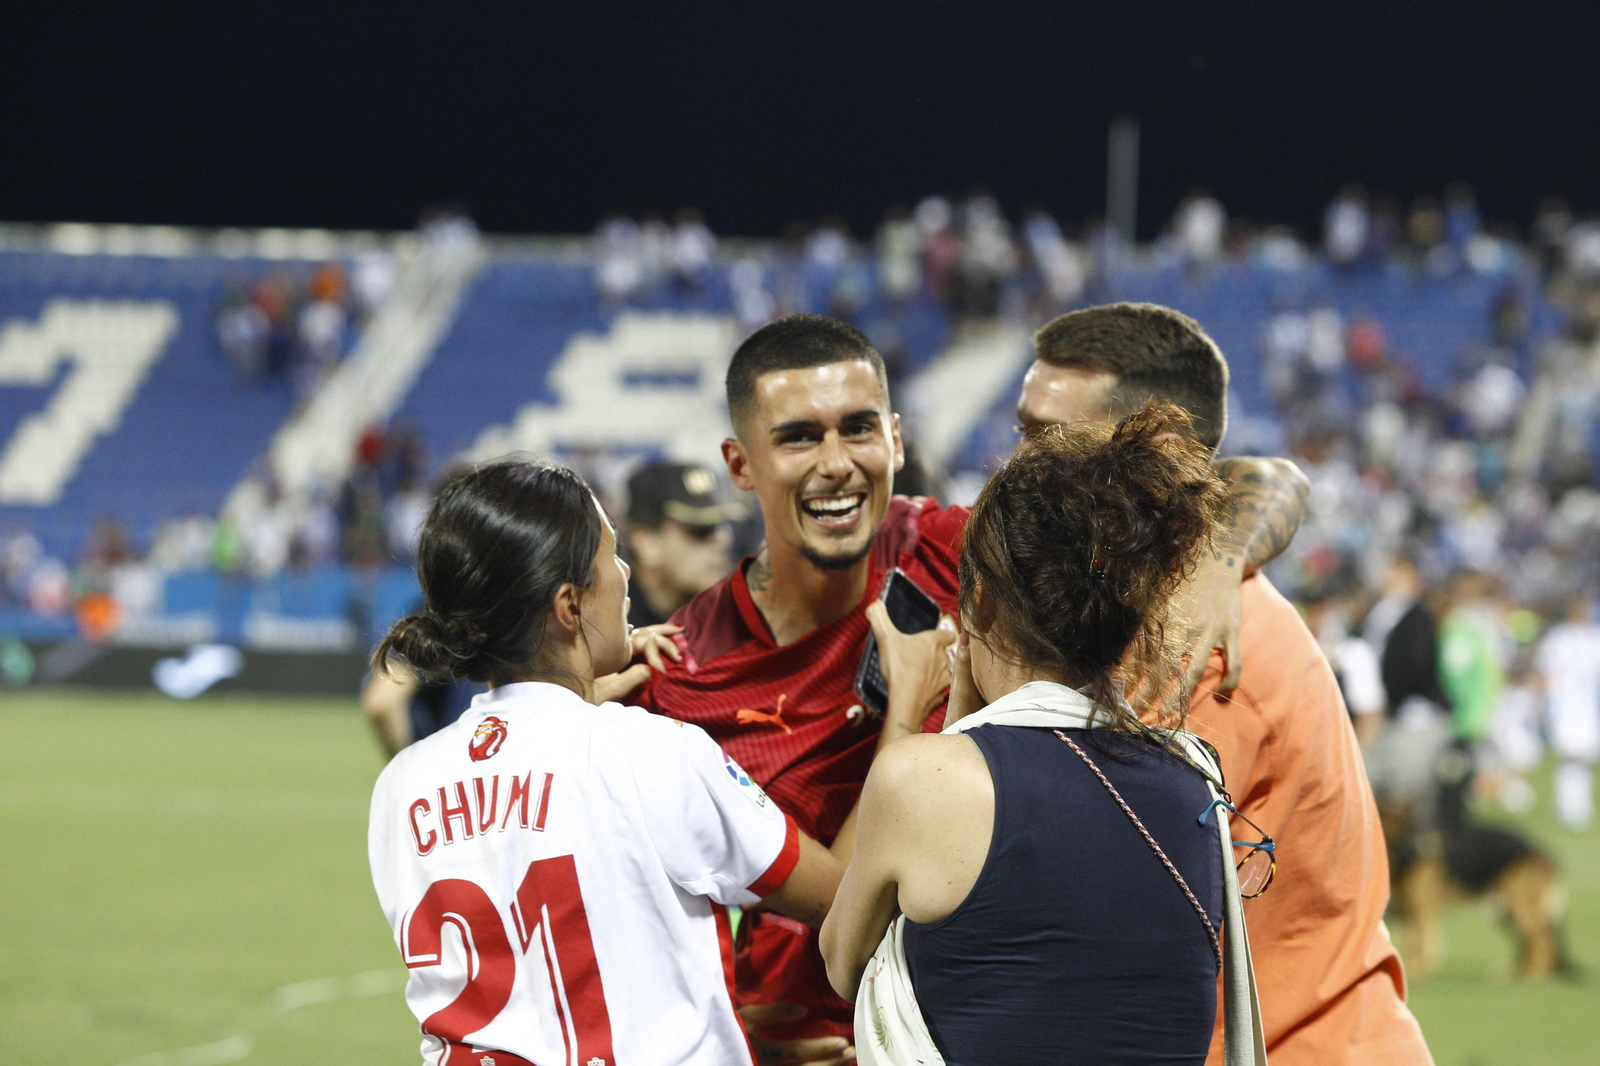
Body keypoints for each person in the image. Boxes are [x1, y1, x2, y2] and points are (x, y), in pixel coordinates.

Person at [628, 312, 1309, 1052]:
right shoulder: (680, 672)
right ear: (740, 463)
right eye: (799, 436)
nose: (835, 462)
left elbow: (1258, 474)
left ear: (893, 437)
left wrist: (1216, 560)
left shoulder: (959, 551)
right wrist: (727, 1025)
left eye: (857, 429)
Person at [365, 460, 946, 1065]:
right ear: (570, 604)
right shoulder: (649, 752)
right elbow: (843, 901)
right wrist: (906, 709)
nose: (623, 575)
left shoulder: (401, 785)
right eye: (610, 558)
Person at [1017, 302, 1432, 1066]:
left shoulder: (1197, 640)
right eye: (1022, 432)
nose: (1018, 467)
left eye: (1051, 441)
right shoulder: (1142, 603)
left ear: (1162, 453)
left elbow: (1077, 923)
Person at [822, 406, 1236, 1064]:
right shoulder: (1195, 780)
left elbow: (841, 962)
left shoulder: (924, 777)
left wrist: (932, 716)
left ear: (979, 603)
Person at [623, 459, 740, 629]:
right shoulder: (605, 634)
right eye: (700, 530)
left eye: (721, 526)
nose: (722, 539)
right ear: (646, 543)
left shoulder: (732, 621)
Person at [1537, 594, 1600, 829]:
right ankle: (1569, 808)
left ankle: (1580, 808)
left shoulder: (1594, 638)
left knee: (1582, 758)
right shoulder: (1558, 638)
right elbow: (1546, 673)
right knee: (1568, 757)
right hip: (1564, 707)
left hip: (1588, 708)